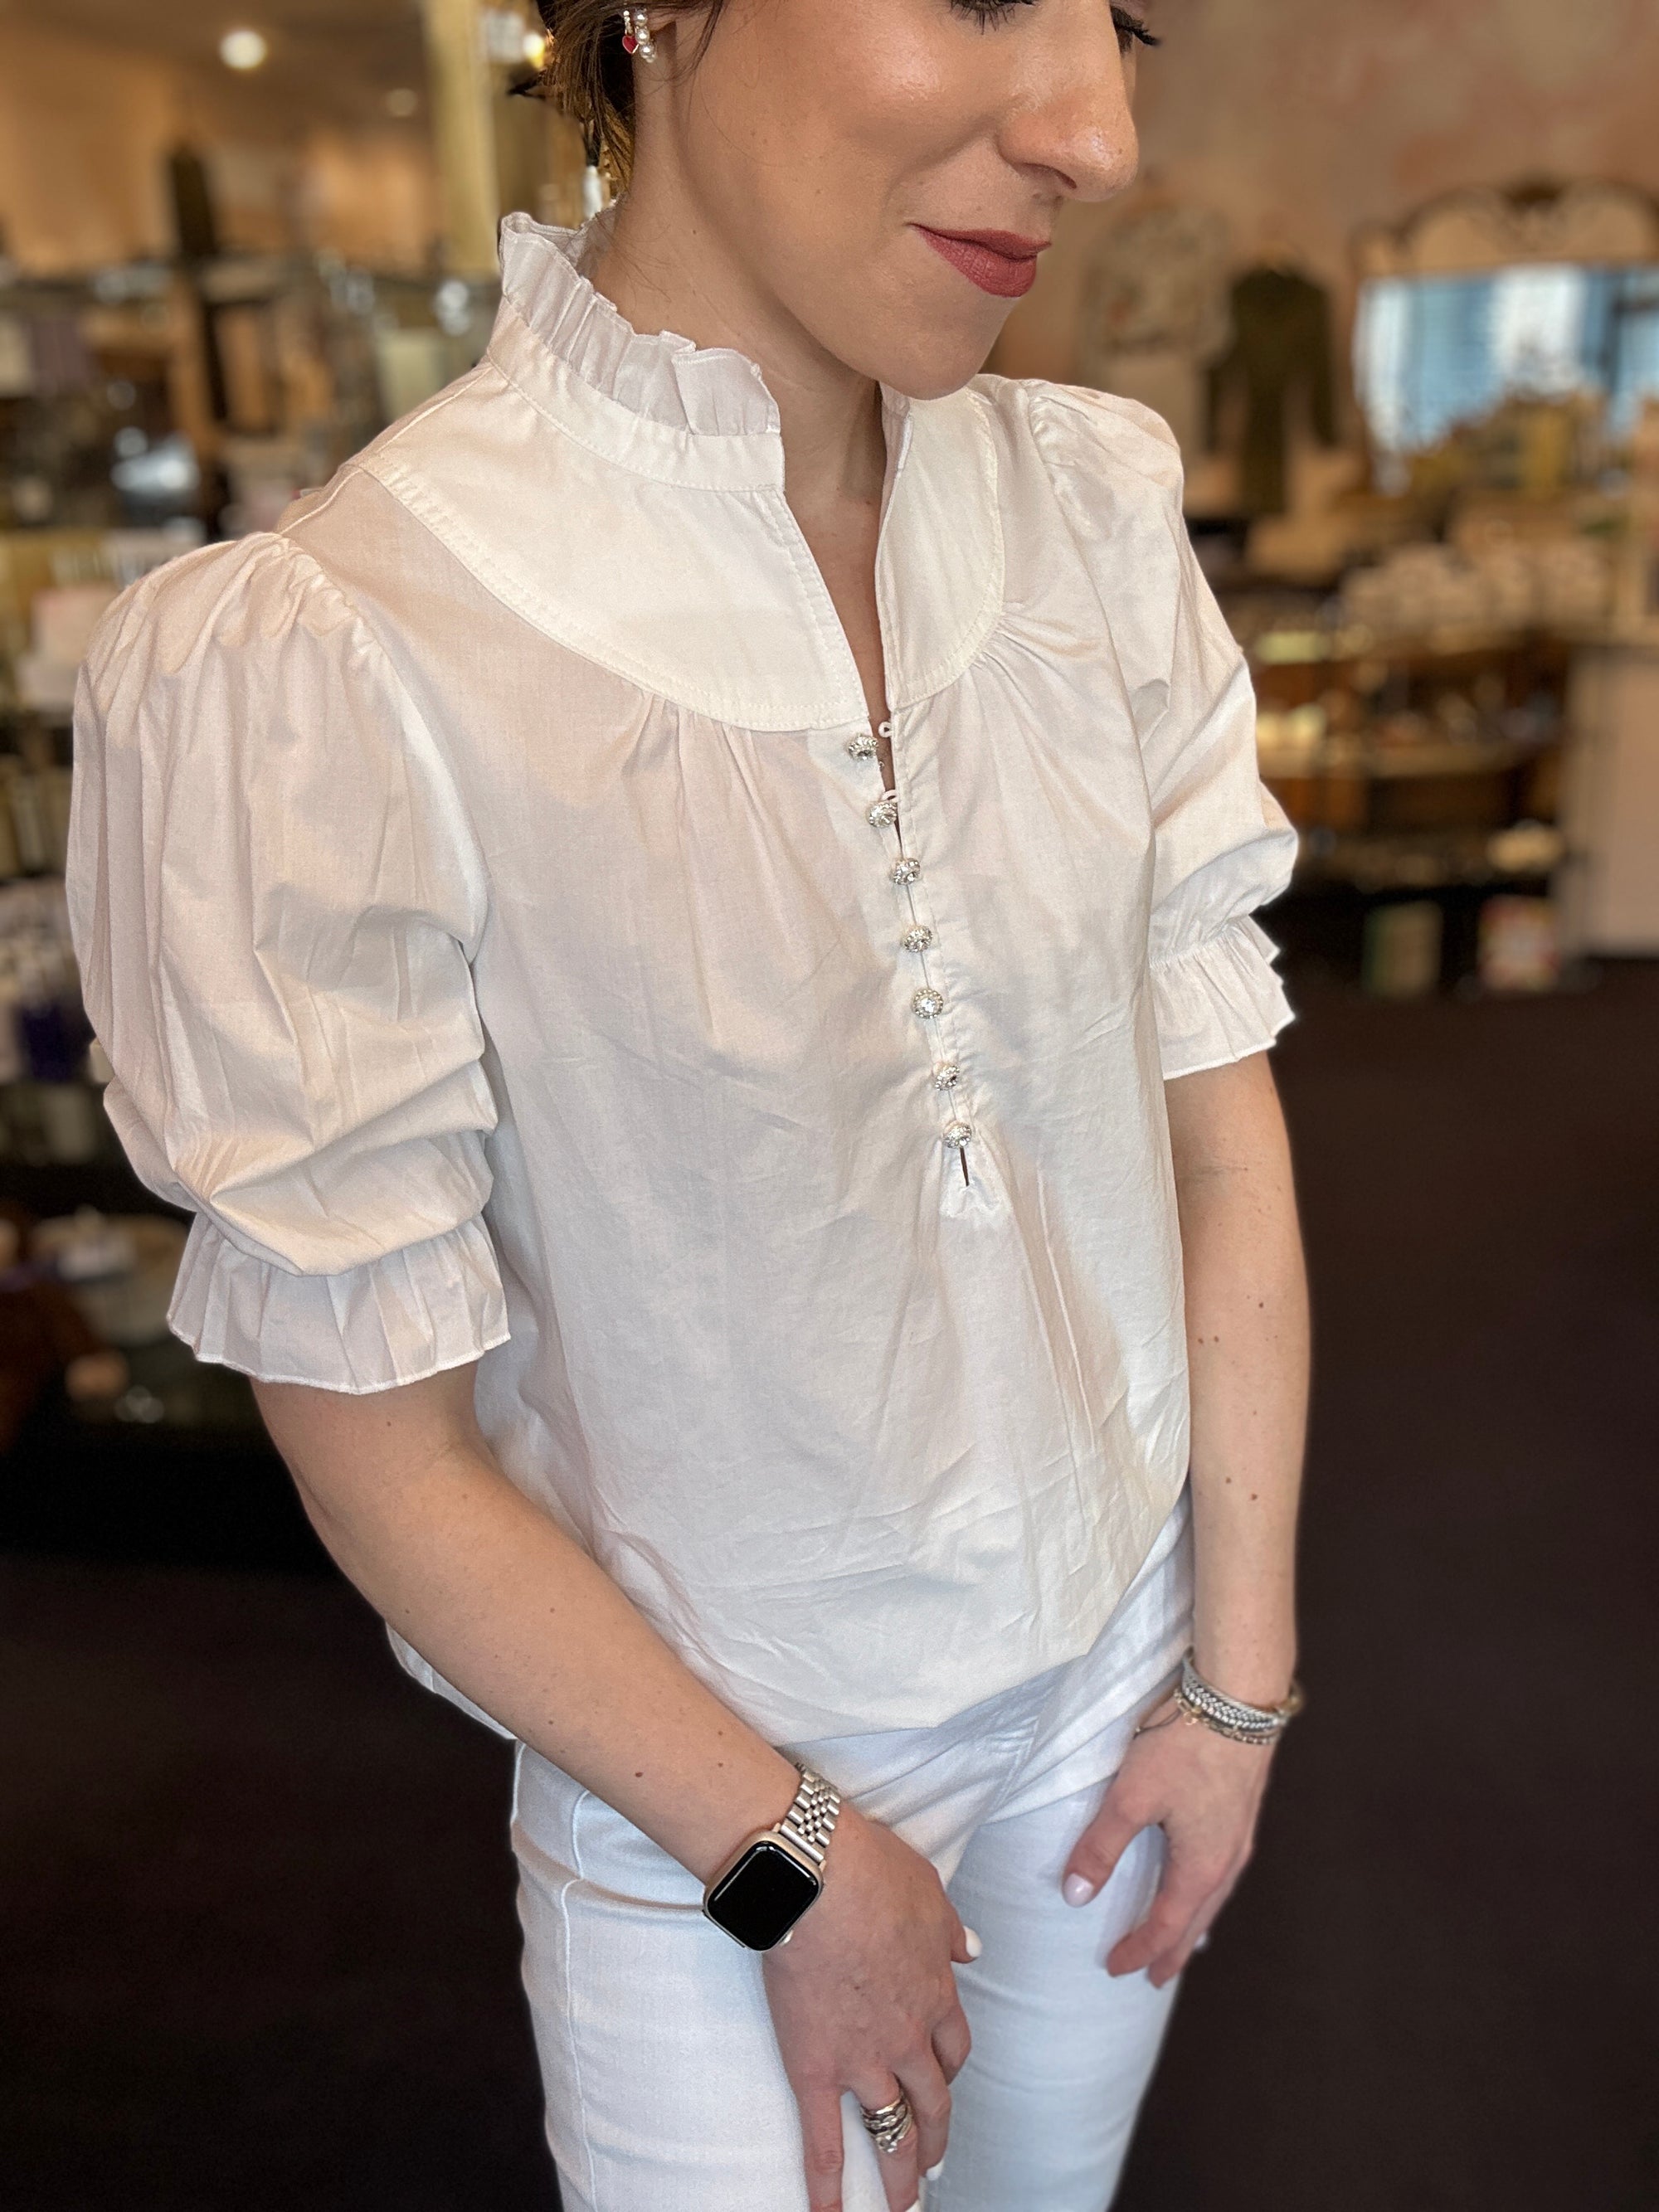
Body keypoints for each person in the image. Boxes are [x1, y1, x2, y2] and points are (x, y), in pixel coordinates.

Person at [67, 3, 1311, 2207]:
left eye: (1118, 16)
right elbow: (377, 1438)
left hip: (1128, 1680)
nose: (1101, 133)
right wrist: (780, 1853)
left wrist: (1235, 1685)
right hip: (702, 1779)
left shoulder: (1098, 514)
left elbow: (1216, 1140)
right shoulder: (342, 642)